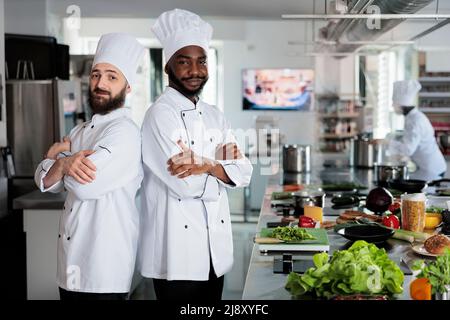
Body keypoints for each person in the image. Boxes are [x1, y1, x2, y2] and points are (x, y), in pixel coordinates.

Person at [139, 8, 253, 301]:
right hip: (177, 256)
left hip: (215, 253)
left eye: (201, 61)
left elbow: (245, 172)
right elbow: (185, 184)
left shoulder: (214, 115)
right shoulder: (159, 116)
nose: (195, 70)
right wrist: (221, 167)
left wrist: (208, 165)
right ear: (168, 67)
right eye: (184, 61)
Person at [34, 33, 145, 300]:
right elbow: (44, 181)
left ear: (127, 87)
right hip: (69, 266)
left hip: (103, 271)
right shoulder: (80, 130)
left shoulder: (125, 134)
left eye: (111, 76)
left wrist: (57, 164)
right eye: (96, 75)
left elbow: (84, 186)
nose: (100, 83)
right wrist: (61, 164)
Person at [388, 80, 446, 181]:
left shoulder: (415, 121)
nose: (392, 106)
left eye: (394, 103)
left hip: (431, 170)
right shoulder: (412, 117)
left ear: (401, 104)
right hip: (427, 167)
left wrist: (386, 142)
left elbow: (408, 149)